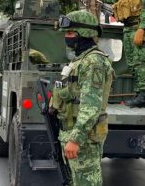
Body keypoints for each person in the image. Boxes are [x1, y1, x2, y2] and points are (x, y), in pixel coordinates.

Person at [53, 10, 114, 185]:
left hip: (84, 140)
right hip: (72, 134)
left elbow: (91, 107)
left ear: (84, 33)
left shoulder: (93, 62)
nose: (67, 37)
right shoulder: (80, 60)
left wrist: (75, 140)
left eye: (70, 33)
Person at [86, 0, 145, 107]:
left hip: (138, 27)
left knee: (141, 62)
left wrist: (142, 29)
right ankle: (138, 94)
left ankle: (143, 96)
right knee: (132, 63)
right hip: (128, 28)